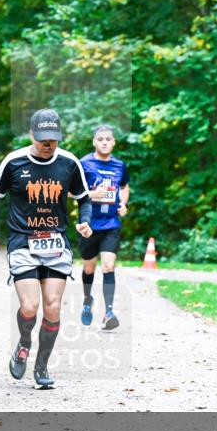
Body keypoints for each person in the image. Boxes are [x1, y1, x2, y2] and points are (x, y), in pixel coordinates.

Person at [0, 109, 93, 389]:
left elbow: (84, 199)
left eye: (52, 139)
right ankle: (23, 342)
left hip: (56, 243)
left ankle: (41, 366)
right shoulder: (13, 161)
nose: (47, 144)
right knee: (30, 307)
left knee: (53, 308)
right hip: (22, 241)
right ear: (31, 134)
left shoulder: (69, 163)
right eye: (42, 139)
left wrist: (85, 221)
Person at [79, 124, 130, 330]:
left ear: (114, 142)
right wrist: (91, 195)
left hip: (111, 224)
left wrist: (123, 203)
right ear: (94, 142)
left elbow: (124, 186)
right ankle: (87, 299)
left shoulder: (119, 165)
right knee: (89, 267)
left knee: (108, 265)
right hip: (89, 225)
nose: (104, 142)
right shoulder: (83, 164)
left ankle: (108, 312)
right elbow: (70, 191)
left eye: (108, 139)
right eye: (100, 139)